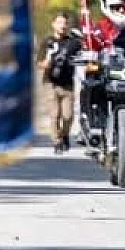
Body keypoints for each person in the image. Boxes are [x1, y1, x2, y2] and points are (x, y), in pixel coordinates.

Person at [37, 13, 78, 154]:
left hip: (67, 84)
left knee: (68, 116)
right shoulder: (47, 42)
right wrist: (47, 61)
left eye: (64, 23)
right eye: (59, 22)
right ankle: (57, 142)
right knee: (55, 114)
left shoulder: (73, 42)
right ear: (53, 24)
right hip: (50, 83)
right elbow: (40, 63)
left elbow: (85, 53)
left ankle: (64, 134)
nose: (62, 25)